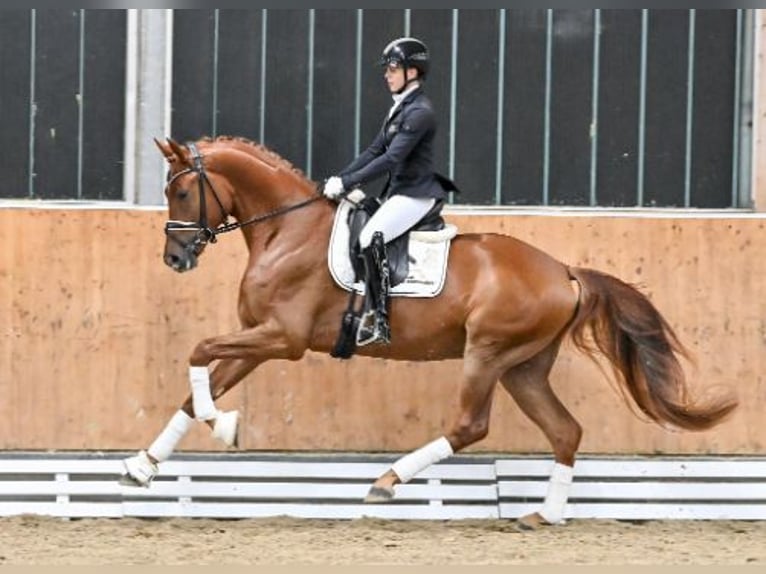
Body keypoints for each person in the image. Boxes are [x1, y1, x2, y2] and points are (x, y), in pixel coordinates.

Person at [323, 37, 458, 347]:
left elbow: (392, 158)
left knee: (370, 239)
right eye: (388, 69)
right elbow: (374, 150)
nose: (387, 74)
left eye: (394, 68)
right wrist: (340, 178)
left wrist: (349, 183)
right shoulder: (400, 108)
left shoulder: (420, 111)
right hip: (400, 191)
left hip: (415, 195)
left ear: (413, 72)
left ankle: (379, 318)